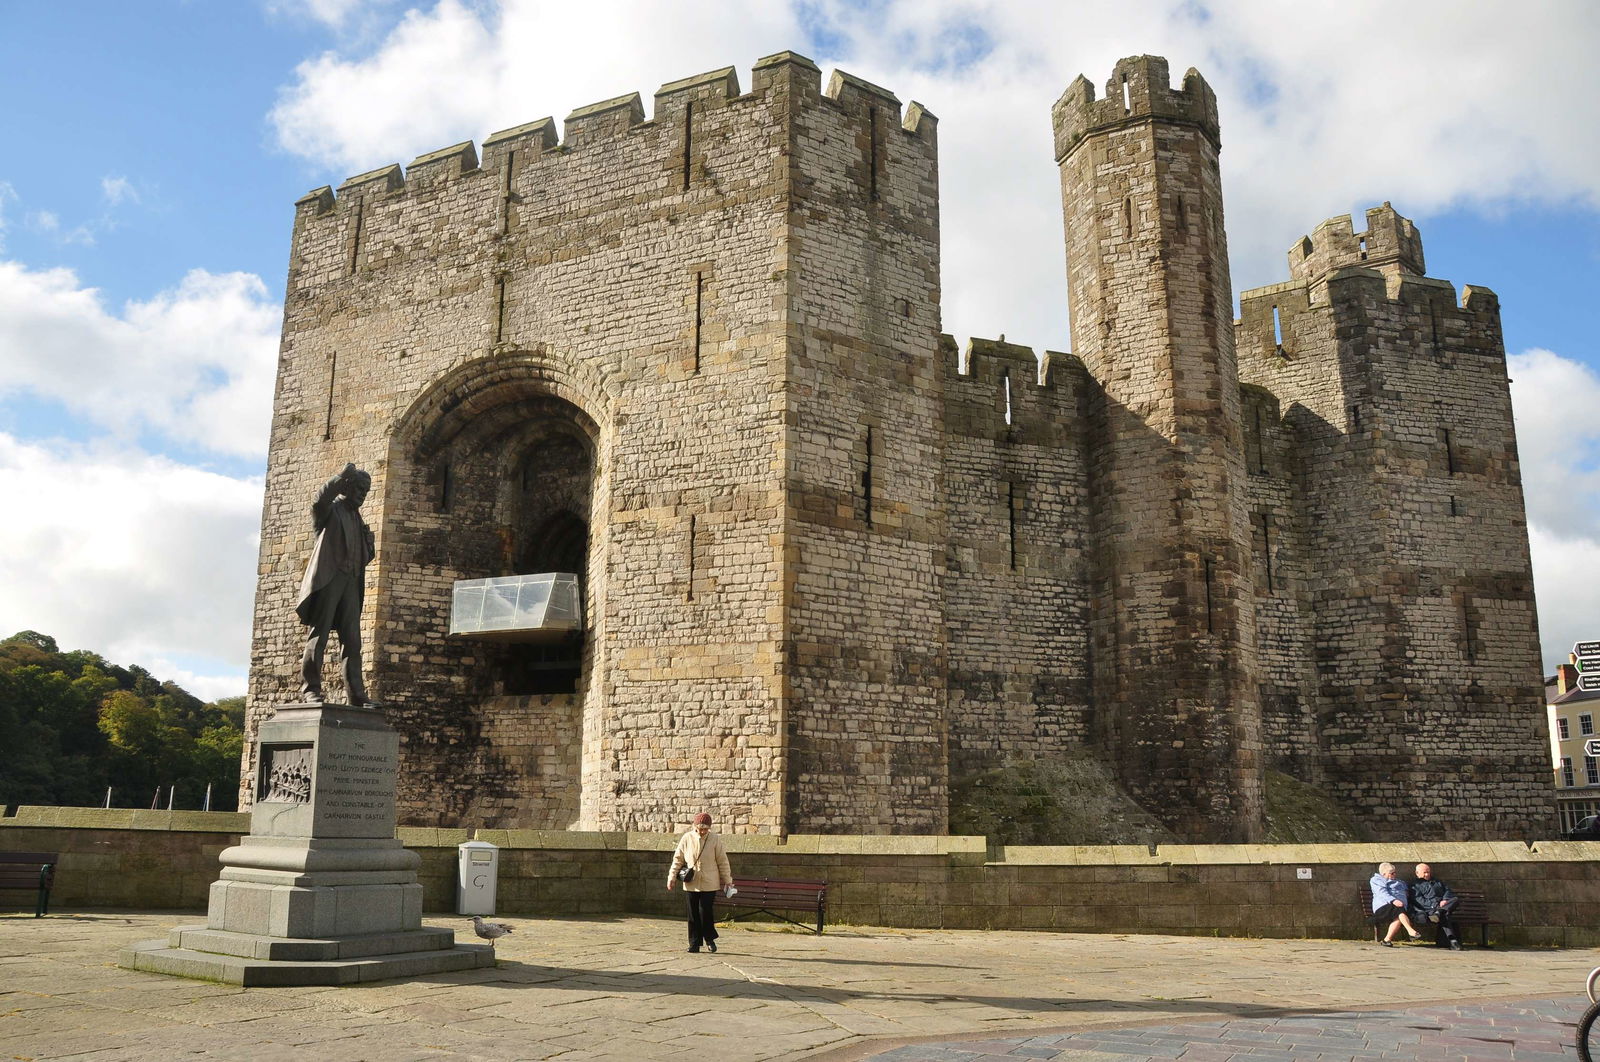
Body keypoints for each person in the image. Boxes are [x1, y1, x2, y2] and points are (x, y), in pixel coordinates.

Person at [296, 463, 379, 706]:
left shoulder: (358, 519)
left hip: (352, 582)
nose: (363, 494)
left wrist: (369, 545)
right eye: (359, 488)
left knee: (353, 642)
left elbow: (362, 556)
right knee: (318, 637)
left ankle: (357, 695)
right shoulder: (331, 511)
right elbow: (317, 502)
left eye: (366, 491)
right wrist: (340, 476)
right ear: (347, 487)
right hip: (330, 579)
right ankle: (311, 690)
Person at [667, 812, 733, 953]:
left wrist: (728, 880)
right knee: (692, 914)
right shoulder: (687, 838)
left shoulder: (715, 839)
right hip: (692, 882)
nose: (702, 831)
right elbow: (678, 859)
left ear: (709, 828)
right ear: (694, 826)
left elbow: (722, 862)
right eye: (699, 828)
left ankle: (709, 939)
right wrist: (671, 877)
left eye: (705, 829)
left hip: (710, 882)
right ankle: (694, 943)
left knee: (705, 912)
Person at [1368, 861, 1423, 946]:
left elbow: (1406, 891)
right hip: (1382, 907)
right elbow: (1382, 893)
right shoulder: (1376, 880)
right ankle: (1410, 930)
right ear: (1383, 874)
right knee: (1399, 910)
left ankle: (1387, 940)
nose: (1394, 875)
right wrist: (1393, 900)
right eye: (1392, 873)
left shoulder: (1400, 882)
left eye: (1395, 873)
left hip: (1398, 907)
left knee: (1399, 917)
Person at [1409, 862, 1461, 950]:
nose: (1427, 874)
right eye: (1424, 872)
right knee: (1445, 915)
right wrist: (1435, 906)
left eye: (1428, 872)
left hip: (1441, 907)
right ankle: (1453, 941)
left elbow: (1448, 891)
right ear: (1417, 873)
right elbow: (1419, 901)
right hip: (1429, 911)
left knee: (1455, 899)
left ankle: (1439, 912)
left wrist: (1445, 899)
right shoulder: (1415, 885)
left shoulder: (1437, 882)